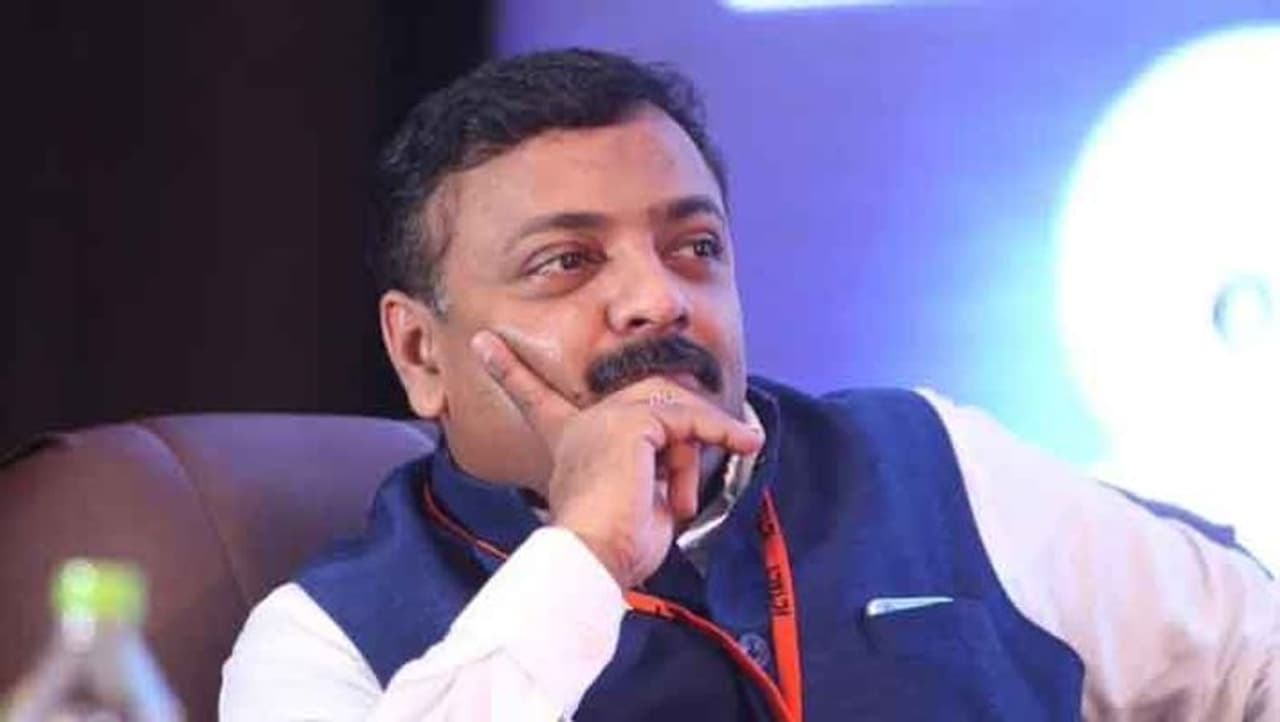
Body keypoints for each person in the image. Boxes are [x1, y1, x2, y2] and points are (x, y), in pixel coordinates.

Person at [219, 48, 1278, 721]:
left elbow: (1254, 654)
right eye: (567, 262)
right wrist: (585, 553)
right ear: (419, 353)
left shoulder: (925, 463)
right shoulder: (324, 639)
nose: (657, 301)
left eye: (693, 247)